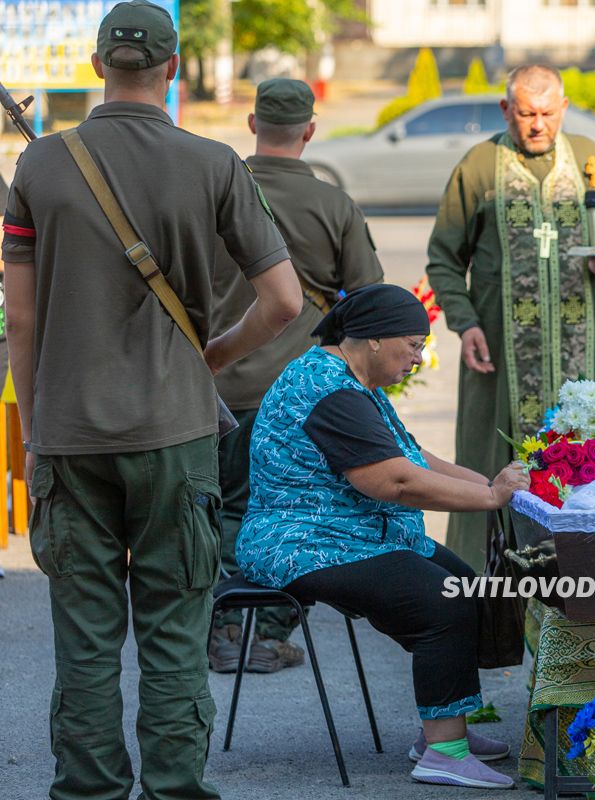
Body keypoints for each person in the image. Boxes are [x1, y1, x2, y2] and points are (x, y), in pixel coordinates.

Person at [1, 3, 302, 798]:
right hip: (175, 434)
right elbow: (282, 301)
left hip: (68, 437)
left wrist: (35, 437)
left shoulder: (40, 166)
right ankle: (175, 787)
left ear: (99, 65)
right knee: (175, 631)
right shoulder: (213, 163)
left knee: (86, 638)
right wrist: (211, 356)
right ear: (172, 70)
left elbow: (21, 323)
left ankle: (90, 789)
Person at [236, 285, 528, 790]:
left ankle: (441, 730)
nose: (418, 359)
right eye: (413, 345)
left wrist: (490, 483)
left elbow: (416, 459)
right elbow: (390, 481)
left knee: (465, 584)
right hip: (301, 541)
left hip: (350, 533)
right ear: (372, 340)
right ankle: (443, 752)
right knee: (444, 602)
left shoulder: (350, 380)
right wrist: (489, 499)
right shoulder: (329, 388)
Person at [426, 63, 595, 571]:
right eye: (526, 113)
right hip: (500, 355)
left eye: (548, 113)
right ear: (507, 109)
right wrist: (465, 322)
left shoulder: (593, 160)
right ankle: (486, 592)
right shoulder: (480, 167)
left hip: (584, 352)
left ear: (564, 108)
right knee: (492, 465)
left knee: (593, 458)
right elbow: (443, 256)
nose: (538, 124)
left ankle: (590, 580)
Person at [207, 78, 384, 676]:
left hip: (219, 382)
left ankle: (224, 629)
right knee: (302, 511)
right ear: (310, 130)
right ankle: (271, 633)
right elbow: (368, 301)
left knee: (226, 509)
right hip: (305, 396)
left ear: (253, 124)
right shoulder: (334, 205)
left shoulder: (214, 193)